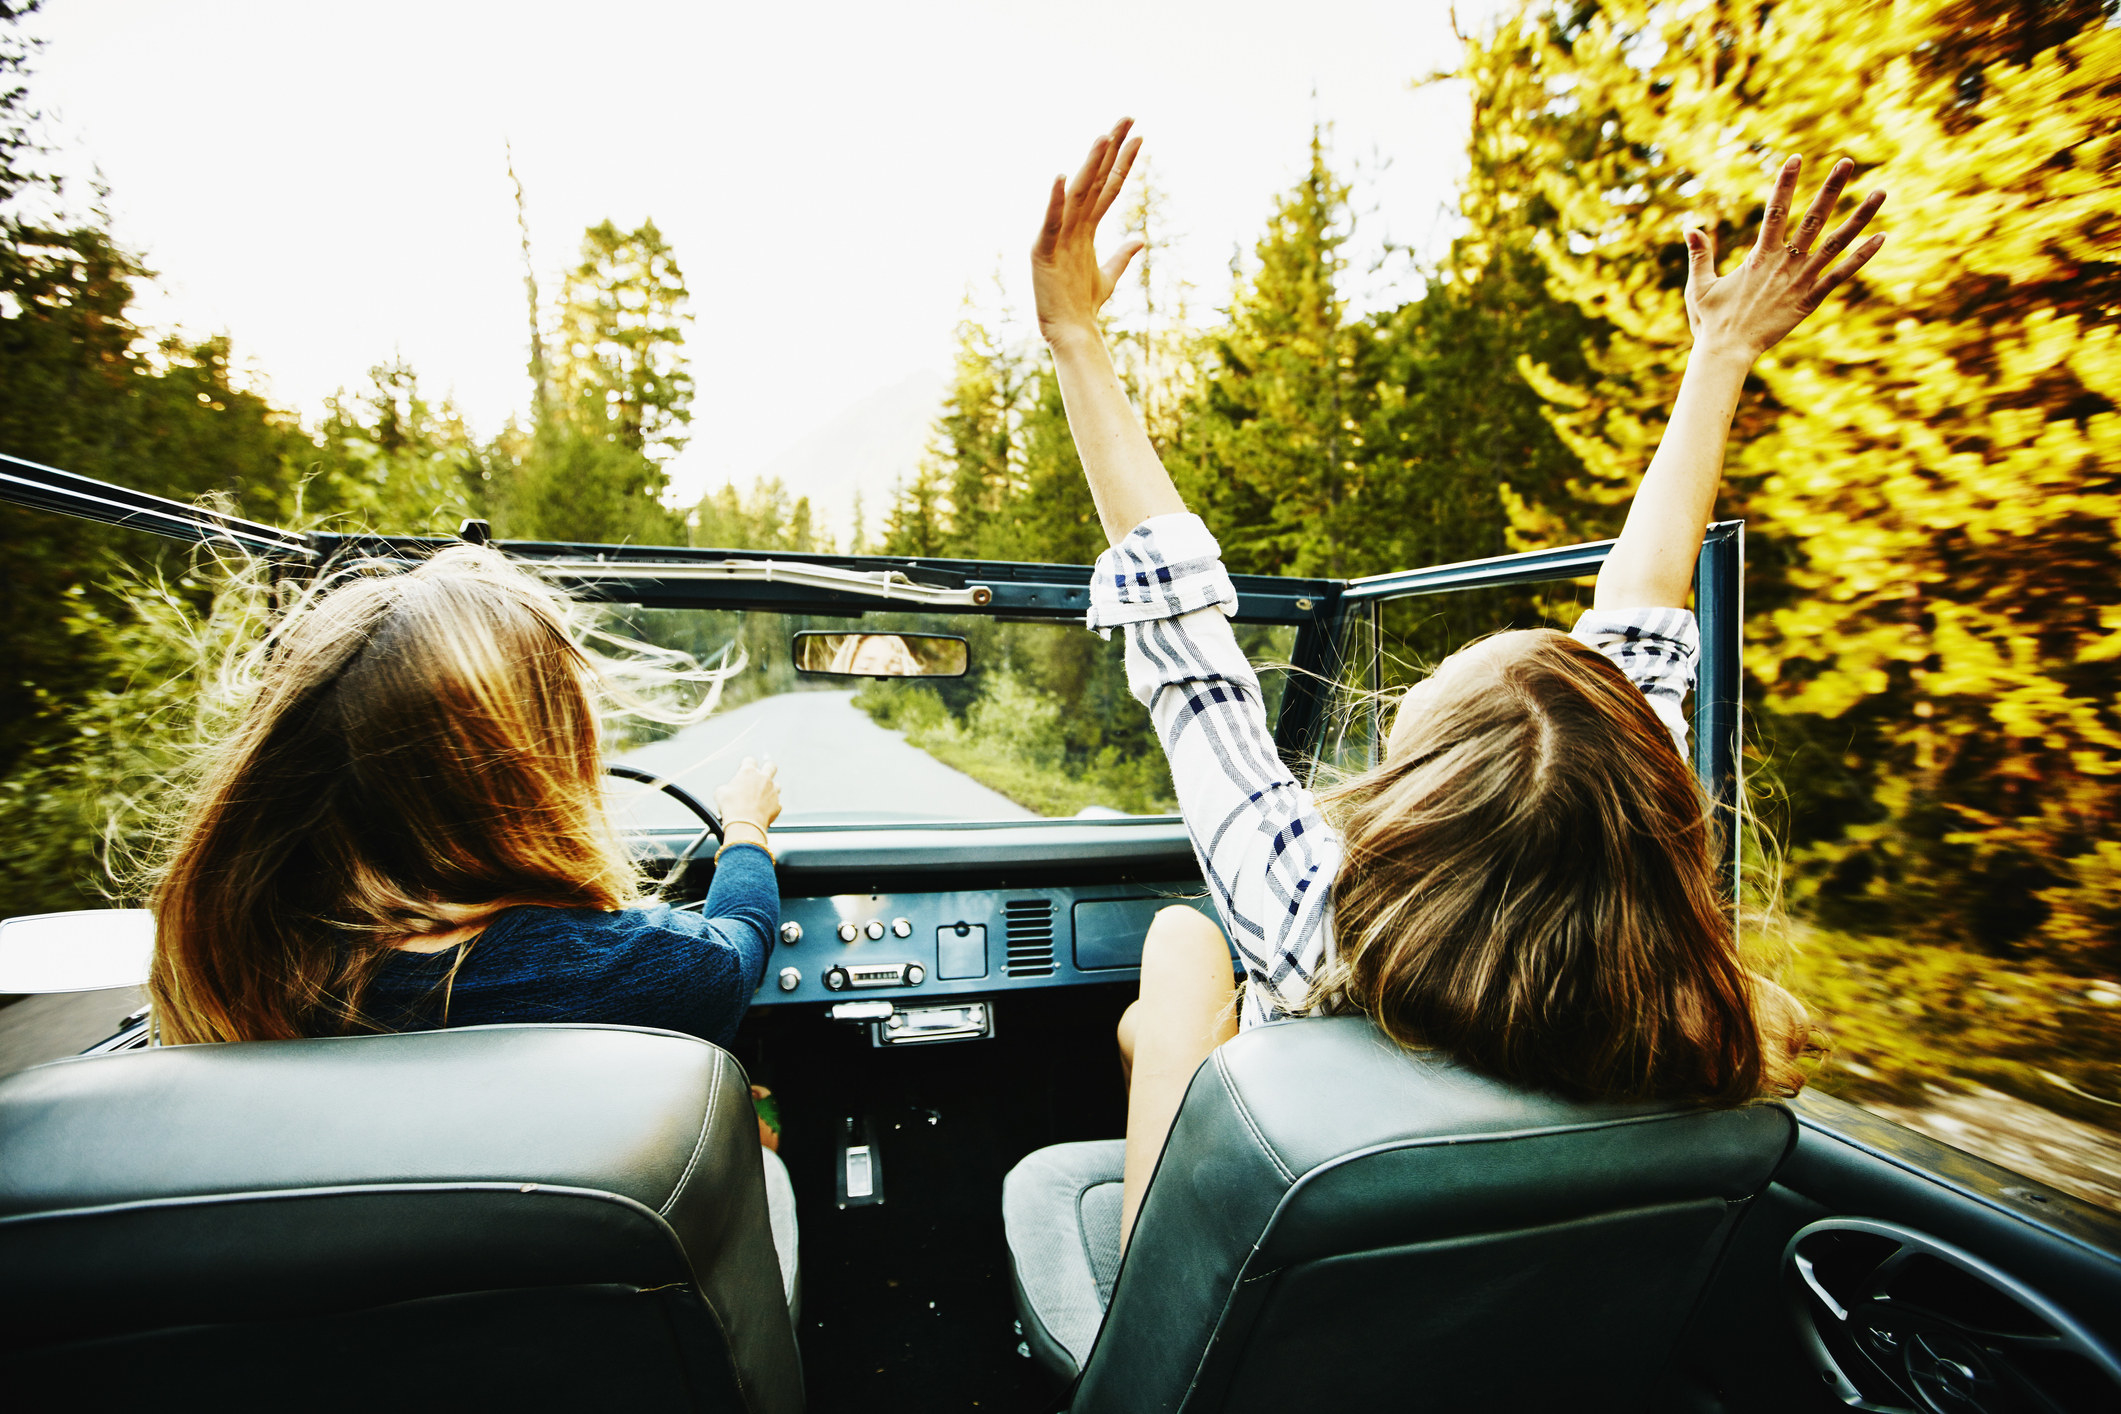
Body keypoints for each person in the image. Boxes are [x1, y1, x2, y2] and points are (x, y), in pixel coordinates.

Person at [1031, 119, 1885, 1250]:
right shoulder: (1675, 993)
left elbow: (1187, 639)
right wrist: (1718, 358)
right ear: (1645, 799)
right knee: (1172, 1007)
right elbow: (1642, 628)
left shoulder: (1311, 913)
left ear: (1415, 801)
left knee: (1184, 951)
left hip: (1243, 1349)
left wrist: (1072, 334)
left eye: (1423, 706)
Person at [147, 544, 783, 1050]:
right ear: (533, 774)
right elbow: (739, 943)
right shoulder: (629, 966)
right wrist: (746, 829)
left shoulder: (241, 969)